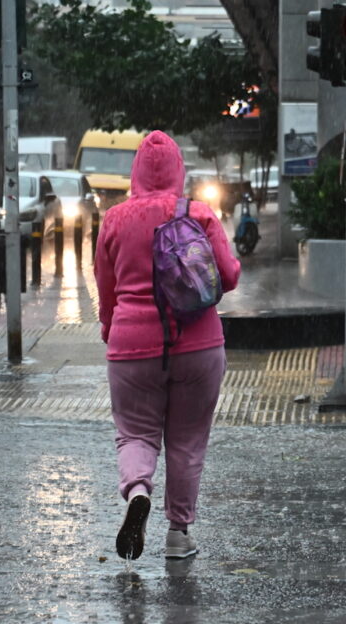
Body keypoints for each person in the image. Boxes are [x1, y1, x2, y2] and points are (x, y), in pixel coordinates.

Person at [94, 130, 241, 560]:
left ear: (134, 172)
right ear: (180, 170)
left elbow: (106, 289)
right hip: (197, 345)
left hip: (132, 347)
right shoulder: (198, 214)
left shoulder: (115, 219)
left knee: (135, 434)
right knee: (187, 441)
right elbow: (228, 276)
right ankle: (178, 534)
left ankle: (138, 490)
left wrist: (110, 329)